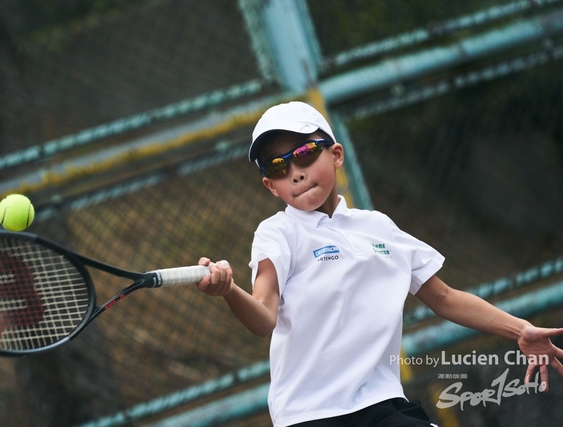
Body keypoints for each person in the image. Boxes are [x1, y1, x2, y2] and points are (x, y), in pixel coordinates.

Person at [196, 101, 563, 427]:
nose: (295, 171)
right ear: (271, 186)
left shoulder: (378, 227)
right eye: (278, 167)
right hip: (310, 415)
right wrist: (229, 290)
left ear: (336, 154)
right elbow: (263, 316)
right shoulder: (277, 233)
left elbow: (446, 298)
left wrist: (519, 330)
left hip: (383, 404)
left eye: (306, 152)